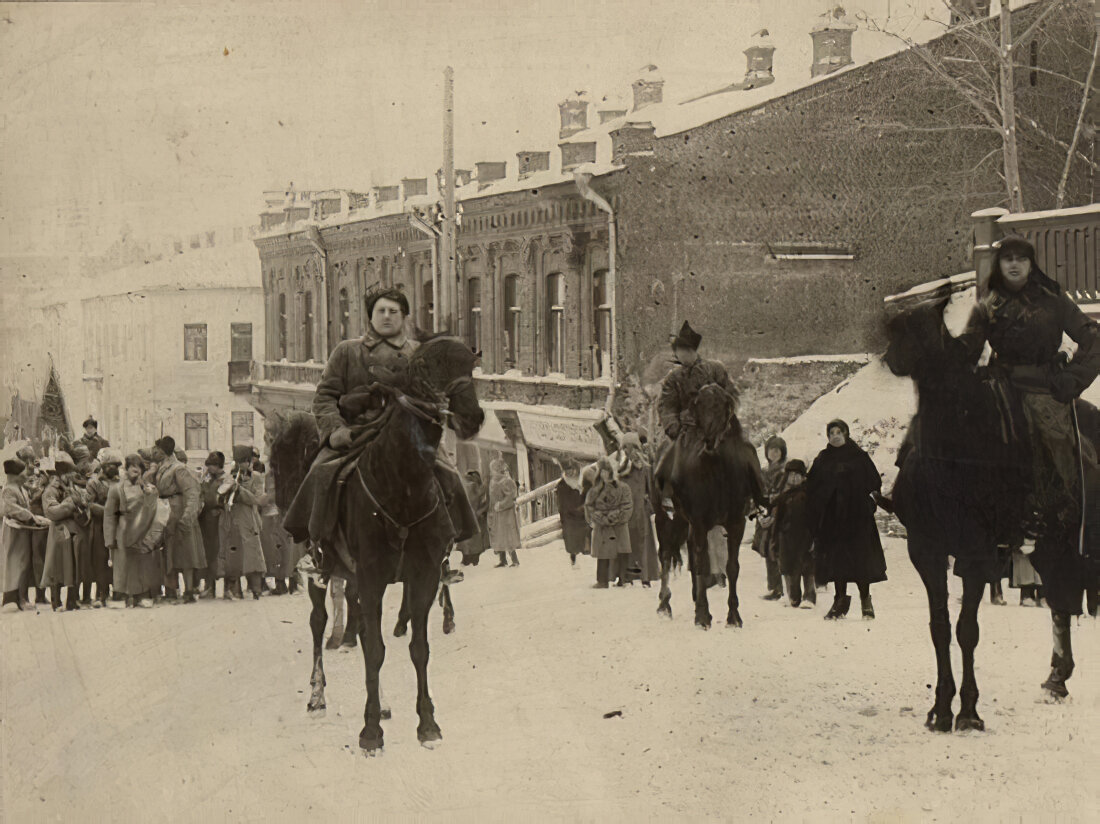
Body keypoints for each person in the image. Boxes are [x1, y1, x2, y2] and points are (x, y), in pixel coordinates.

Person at [807, 420, 887, 620]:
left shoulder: (860, 457)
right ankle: (840, 601)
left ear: (846, 434)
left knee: (861, 560)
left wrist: (861, 493)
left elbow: (874, 483)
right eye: (831, 433)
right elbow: (812, 485)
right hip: (833, 519)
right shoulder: (823, 459)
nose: (835, 436)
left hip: (857, 518)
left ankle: (866, 601)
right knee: (837, 561)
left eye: (839, 432)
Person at [656, 321, 745, 489]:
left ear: (692, 351)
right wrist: (675, 427)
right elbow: (666, 406)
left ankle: (753, 495)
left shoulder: (715, 369)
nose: (679, 355)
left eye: (682, 351)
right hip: (688, 431)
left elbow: (732, 395)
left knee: (745, 455)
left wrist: (723, 415)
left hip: (720, 429)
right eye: (677, 352)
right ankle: (666, 496)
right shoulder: (673, 378)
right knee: (667, 464)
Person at [152, 436, 205, 604]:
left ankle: (189, 590)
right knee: (169, 551)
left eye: (157, 450)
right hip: (167, 512)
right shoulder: (161, 468)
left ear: (163, 451)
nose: (154, 452)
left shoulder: (179, 468)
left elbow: (191, 492)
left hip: (179, 511)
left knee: (186, 552)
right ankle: (171, 589)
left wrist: (188, 515)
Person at [103, 454, 159, 608]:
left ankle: (141, 595)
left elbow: (154, 509)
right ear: (126, 469)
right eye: (132, 466)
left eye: (139, 466)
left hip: (142, 529)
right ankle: (121, 596)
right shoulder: (116, 488)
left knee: (141, 562)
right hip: (123, 530)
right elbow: (109, 515)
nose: (136, 469)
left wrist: (151, 495)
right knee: (122, 564)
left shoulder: (147, 488)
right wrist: (109, 538)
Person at [218, 445, 268, 600]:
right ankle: (235, 589)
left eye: (244, 462)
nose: (241, 465)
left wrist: (240, 490)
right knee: (234, 555)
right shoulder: (229, 477)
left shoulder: (257, 477)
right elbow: (220, 496)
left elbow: (259, 500)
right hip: (233, 520)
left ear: (249, 462)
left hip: (249, 519)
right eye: (238, 462)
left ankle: (256, 589)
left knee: (252, 555)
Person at [40, 452, 88, 611]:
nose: (72, 475)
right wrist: (70, 504)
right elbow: (51, 511)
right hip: (60, 533)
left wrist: (80, 505)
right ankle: (56, 602)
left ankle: (72, 601)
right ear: (61, 474)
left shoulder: (72, 487)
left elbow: (83, 505)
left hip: (74, 531)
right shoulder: (50, 490)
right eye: (69, 472)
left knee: (73, 568)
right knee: (58, 567)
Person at [2, 458, 50, 609]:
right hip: (13, 531)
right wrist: (31, 517)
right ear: (15, 475)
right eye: (22, 472)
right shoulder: (9, 489)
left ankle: (21, 598)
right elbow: (11, 509)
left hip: (22, 531)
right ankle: (18, 599)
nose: (25, 475)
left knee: (24, 564)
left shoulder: (20, 488)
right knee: (16, 564)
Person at [772, 459, 816, 608]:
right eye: (791, 475)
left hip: (805, 535)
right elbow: (778, 519)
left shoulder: (809, 495)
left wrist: (814, 537)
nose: (794, 478)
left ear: (804, 477)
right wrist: (775, 538)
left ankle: (809, 596)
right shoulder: (784, 496)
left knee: (807, 566)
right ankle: (793, 596)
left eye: (798, 475)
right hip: (786, 536)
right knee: (788, 566)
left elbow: (814, 517)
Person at [617, 434, 659, 586]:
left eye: (628, 447)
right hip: (628, 510)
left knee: (642, 543)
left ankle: (644, 577)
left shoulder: (645, 468)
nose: (627, 450)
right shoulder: (622, 467)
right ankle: (627, 577)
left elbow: (651, 490)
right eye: (625, 447)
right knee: (628, 543)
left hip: (640, 510)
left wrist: (650, 506)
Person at [585, 456, 634, 588]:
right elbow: (589, 506)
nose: (604, 474)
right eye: (601, 471)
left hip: (619, 525)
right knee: (603, 554)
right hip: (602, 526)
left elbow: (627, 506)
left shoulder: (623, 488)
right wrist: (599, 517)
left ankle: (623, 579)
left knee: (622, 552)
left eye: (607, 471)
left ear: (611, 472)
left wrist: (614, 516)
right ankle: (602, 581)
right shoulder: (594, 490)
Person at [85, 449, 122, 607]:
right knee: (100, 559)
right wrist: (108, 511)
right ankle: (101, 593)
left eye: (117, 465)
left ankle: (118, 591)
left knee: (117, 558)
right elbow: (89, 504)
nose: (114, 468)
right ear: (104, 466)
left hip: (118, 526)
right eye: (111, 465)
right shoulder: (94, 482)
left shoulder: (120, 482)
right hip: (99, 526)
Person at [753, 435, 788, 600]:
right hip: (764, 511)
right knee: (767, 549)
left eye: (777, 449)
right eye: (771, 449)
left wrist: (775, 515)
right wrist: (760, 514)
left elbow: (786, 495)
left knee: (780, 550)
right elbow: (756, 494)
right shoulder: (762, 472)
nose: (774, 453)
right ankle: (774, 587)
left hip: (781, 512)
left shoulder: (786, 471)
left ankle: (787, 588)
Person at [16, 446, 49, 605]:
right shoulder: (25, 477)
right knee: (30, 558)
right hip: (30, 518)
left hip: (36, 518)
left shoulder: (37, 475)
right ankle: (27, 596)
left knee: (36, 557)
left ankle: (38, 595)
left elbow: (33, 493)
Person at [197, 451, 227, 598]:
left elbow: (216, 499)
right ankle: (209, 586)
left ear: (217, 466)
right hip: (206, 519)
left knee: (214, 553)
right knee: (207, 553)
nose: (208, 468)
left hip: (216, 520)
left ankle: (212, 586)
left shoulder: (224, 480)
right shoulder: (209, 479)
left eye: (211, 466)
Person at [555, 460, 591, 567]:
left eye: (571, 470)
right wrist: (564, 515)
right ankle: (573, 557)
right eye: (567, 470)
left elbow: (585, 496)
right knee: (571, 537)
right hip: (568, 515)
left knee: (582, 534)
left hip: (580, 513)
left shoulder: (580, 482)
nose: (570, 472)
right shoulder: (562, 484)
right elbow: (561, 502)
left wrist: (583, 508)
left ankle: (583, 553)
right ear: (564, 471)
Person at [488, 458, 521, 568]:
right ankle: (502, 560)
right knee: (498, 536)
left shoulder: (507, 481)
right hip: (496, 514)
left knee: (508, 536)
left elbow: (511, 496)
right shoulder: (493, 481)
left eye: (493, 469)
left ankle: (515, 560)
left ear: (498, 469)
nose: (491, 471)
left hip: (506, 514)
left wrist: (501, 505)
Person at [457, 469, 489, 566]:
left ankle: (466, 559)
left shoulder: (463, 485)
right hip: (474, 516)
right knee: (474, 540)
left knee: (466, 541)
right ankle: (472, 559)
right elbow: (479, 495)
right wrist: (487, 484)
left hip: (466, 517)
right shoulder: (472, 486)